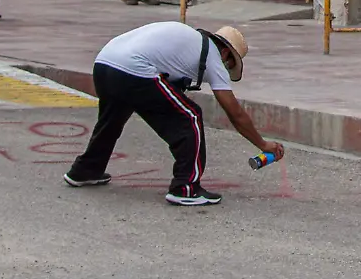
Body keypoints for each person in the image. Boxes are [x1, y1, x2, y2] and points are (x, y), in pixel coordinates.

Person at [63, 21, 279, 206]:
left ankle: (85, 170)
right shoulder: (213, 56)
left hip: (104, 63)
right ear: (226, 53)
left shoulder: (189, 41)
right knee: (190, 116)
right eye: (229, 64)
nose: (225, 68)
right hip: (134, 69)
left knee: (112, 119)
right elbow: (235, 113)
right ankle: (186, 188)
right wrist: (263, 145)